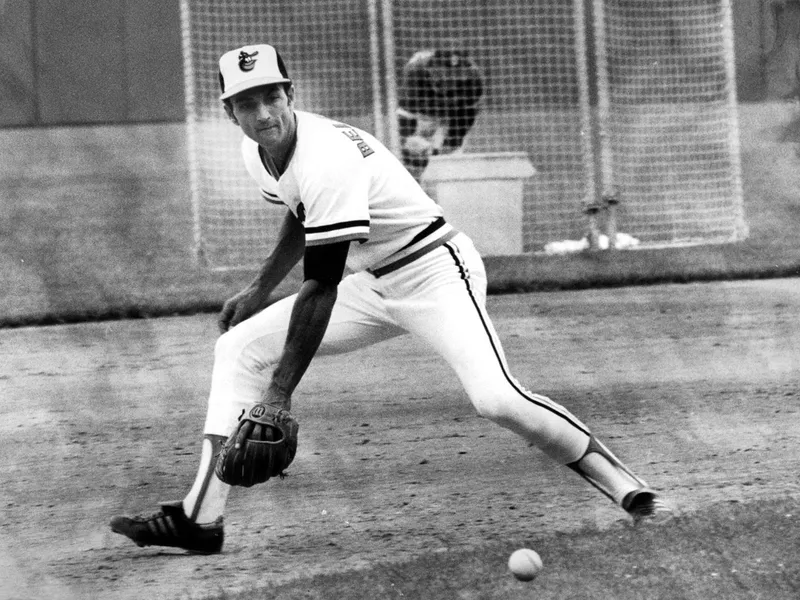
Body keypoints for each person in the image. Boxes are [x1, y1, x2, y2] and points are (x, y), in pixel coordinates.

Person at [109, 43, 672, 555]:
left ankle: (630, 490)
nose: (263, 114)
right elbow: (302, 211)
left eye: (272, 97)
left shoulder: (326, 155)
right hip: (373, 281)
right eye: (247, 103)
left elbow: (321, 285)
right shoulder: (259, 152)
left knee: (497, 400)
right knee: (238, 349)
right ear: (229, 111)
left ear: (291, 95)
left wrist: (279, 393)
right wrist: (259, 287)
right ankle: (199, 520)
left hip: (435, 274)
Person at [397, 49, 484, 181]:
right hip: (424, 113)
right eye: (444, 75)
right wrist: (413, 143)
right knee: (414, 157)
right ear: (431, 70)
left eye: (454, 76)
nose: (449, 79)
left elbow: (464, 121)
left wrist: (443, 150)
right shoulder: (415, 72)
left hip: (453, 112)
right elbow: (406, 120)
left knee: (450, 164)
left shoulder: (472, 81)